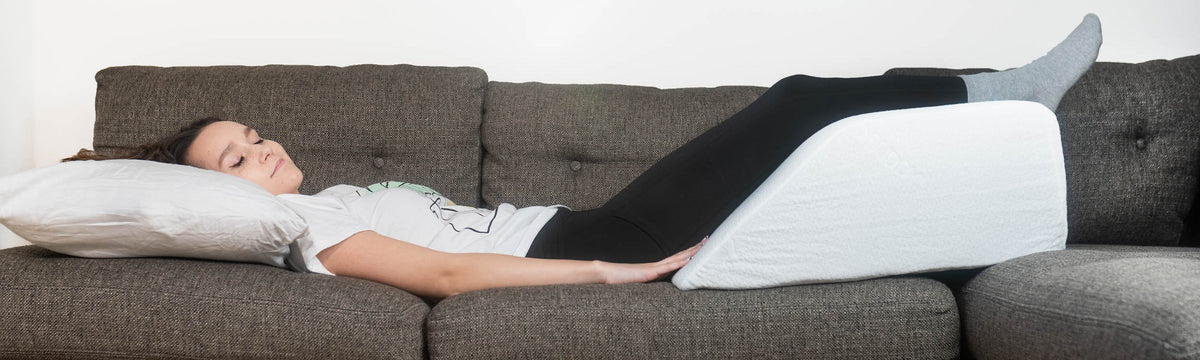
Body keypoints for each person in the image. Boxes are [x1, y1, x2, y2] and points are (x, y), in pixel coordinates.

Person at [65, 15, 1102, 299]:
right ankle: (1000, 93)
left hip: (588, 225)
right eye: (239, 160)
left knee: (819, 161)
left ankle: (993, 145)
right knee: (796, 106)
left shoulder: (326, 195)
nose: (265, 149)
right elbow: (444, 273)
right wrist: (615, 270)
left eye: (251, 135)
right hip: (594, 237)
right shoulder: (311, 228)